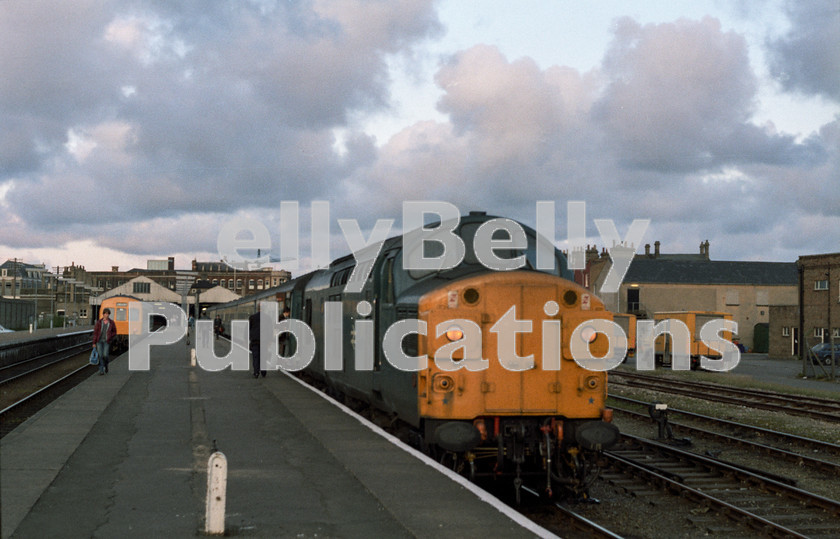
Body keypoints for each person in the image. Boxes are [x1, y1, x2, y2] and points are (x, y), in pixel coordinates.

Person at [92, 308, 117, 375]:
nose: (106, 315)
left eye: (108, 314)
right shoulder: (99, 322)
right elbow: (95, 333)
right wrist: (94, 342)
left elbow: (114, 331)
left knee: (105, 355)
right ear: (103, 314)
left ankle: (106, 365)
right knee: (100, 355)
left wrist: (110, 336)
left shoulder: (111, 323)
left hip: (106, 341)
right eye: (105, 313)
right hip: (99, 341)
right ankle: (101, 370)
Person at [248, 310, 265, 378]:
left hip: (255, 341)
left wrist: (249, 338)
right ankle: (263, 371)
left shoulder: (252, 317)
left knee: (255, 357)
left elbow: (249, 328)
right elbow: (270, 329)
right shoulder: (267, 318)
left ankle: (256, 372)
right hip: (264, 341)